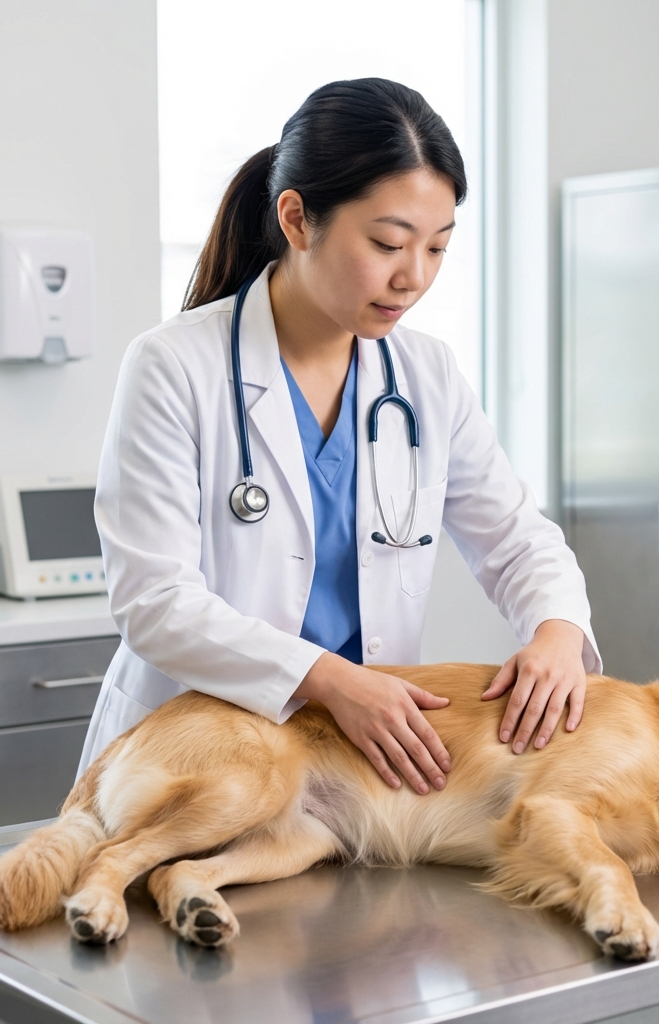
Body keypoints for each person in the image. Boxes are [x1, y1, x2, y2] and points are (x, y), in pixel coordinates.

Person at [79, 78, 600, 796]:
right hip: (194, 752)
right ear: (296, 219)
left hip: (350, 768)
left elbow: (515, 536)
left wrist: (557, 630)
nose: (412, 277)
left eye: (438, 248)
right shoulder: (175, 366)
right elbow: (155, 601)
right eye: (388, 243)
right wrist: (327, 680)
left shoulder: (425, 376)